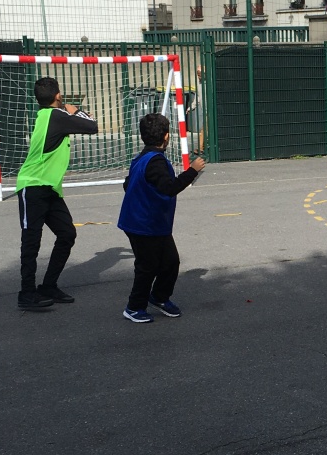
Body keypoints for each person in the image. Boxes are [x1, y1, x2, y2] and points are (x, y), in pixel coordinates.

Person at [14, 76, 99, 312]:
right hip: (32, 187)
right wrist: (76, 110)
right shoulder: (58, 116)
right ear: (58, 96)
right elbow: (93, 126)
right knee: (31, 242)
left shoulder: (44, 115)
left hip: (49, 188)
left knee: (67, 233)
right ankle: (26, 294)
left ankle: (48, 285)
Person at [118, 112, 206, 324]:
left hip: (150, 223)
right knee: (147, 267)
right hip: (143, 224)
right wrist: (192, 171)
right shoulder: (155, 162)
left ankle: (158, 297)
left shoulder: (141, 158)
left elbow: (127, 185)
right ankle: (134, 307)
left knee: (170, 262)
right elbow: (169, 188)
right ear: (167, 136)